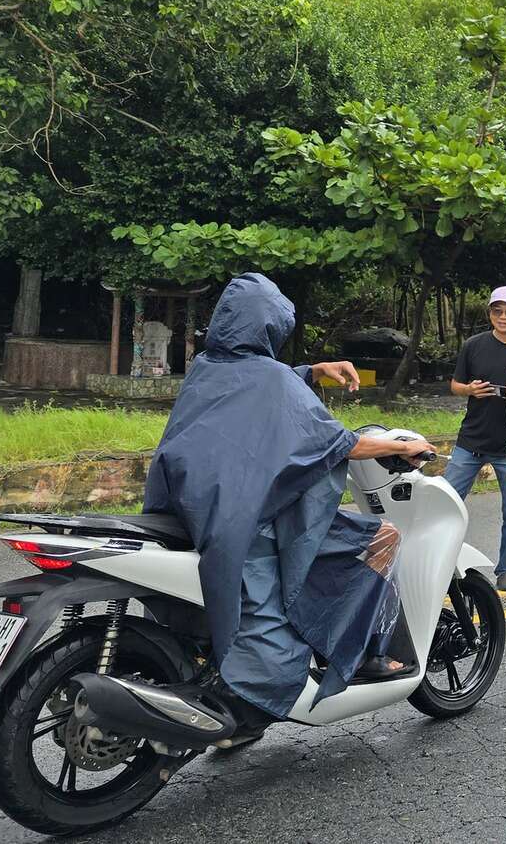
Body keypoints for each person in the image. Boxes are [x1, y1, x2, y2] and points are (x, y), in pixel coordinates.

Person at [143, 273, 436, 732]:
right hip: (250, 520)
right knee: (383, 536)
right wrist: (399, 448)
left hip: (196, 511)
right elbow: (334, 442)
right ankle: (369, 655)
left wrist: (313, 372)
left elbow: (258, 390)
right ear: (270, 328)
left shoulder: (208, 367)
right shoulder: (272, 379)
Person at [445, 286, 506, 592]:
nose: (503, 317)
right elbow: (455, 385)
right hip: (470, 441)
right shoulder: (473, 345)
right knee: (445, 505)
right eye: (497, 311)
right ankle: (442, 563)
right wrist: (470, 390)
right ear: (490, 314)